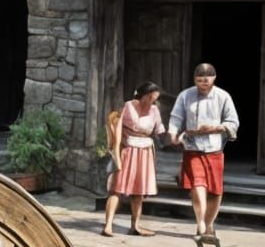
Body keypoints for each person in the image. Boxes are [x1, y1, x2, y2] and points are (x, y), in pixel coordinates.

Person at [166, 63, 239, 236]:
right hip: (192, 147)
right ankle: (200, 223)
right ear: (195, 80)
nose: (203, 85)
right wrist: (173, 134)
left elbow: (233, 122)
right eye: (199, 81)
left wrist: (215, 128)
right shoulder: (185, 95)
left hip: (214, 148)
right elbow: (176, 118)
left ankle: (209, 224)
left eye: (206, 81)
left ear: (213, 79)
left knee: (215, 190)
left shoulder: (223, 96)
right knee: (197, 184)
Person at [102, 81, 165, 236]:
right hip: (127, 150)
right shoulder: (128, 107)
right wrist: (116, 152)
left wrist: (175, 137)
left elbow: (159, 130)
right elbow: (115, 128)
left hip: (144, 153)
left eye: (155, 98)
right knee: (116, 189)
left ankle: (135, 225)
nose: (152, 101)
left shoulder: (154, 110)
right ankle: (108, 225)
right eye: (150, 97)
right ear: (142, 95)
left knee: (138, 191)